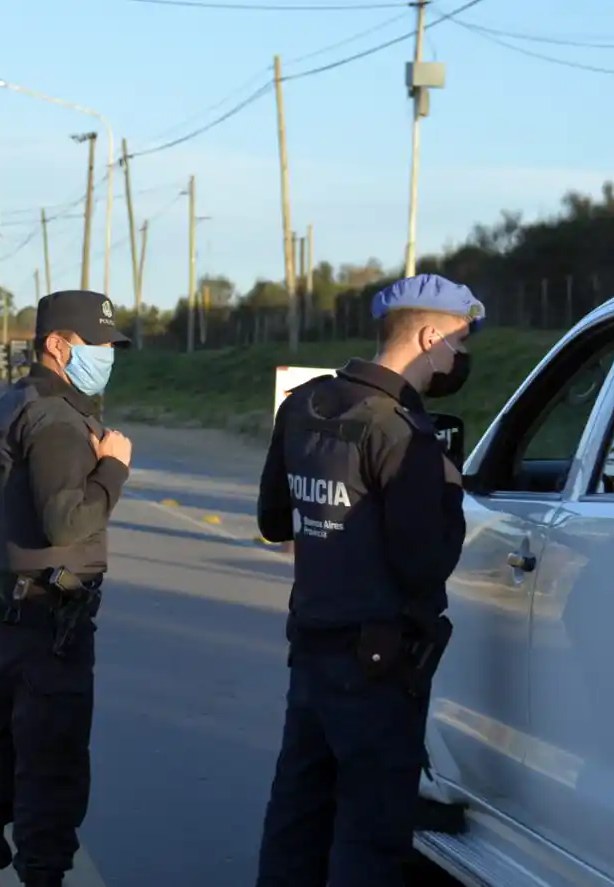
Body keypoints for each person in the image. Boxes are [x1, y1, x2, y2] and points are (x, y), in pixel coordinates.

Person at [252, 273, 483, 887]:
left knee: (297, 818)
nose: (460, 360)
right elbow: (425, 564)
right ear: (431, 336)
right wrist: (449, 490)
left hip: (312, 650)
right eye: (459, 346)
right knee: (369, 836)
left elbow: (275, 519)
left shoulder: (306, 405)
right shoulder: (402, 435)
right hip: (379, 669)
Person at [0, 289, 134, 887]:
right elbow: (67, 521)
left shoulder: (14, 402)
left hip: (8, 606)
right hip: (49, 618)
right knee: (50, 768)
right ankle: (41, 875)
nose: (107, 356)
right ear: (58, 345)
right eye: (98, 345)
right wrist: (113, 468)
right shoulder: (56, 418)